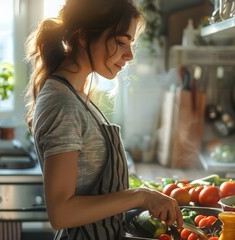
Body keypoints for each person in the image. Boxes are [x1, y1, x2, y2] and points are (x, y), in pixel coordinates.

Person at [24, 0, 183, 239]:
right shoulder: (62, 103)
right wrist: (140, 195)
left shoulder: (77, 96)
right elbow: (61, 213)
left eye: (131, 44)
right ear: (84, 37)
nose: (129, 55)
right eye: (120, 42)